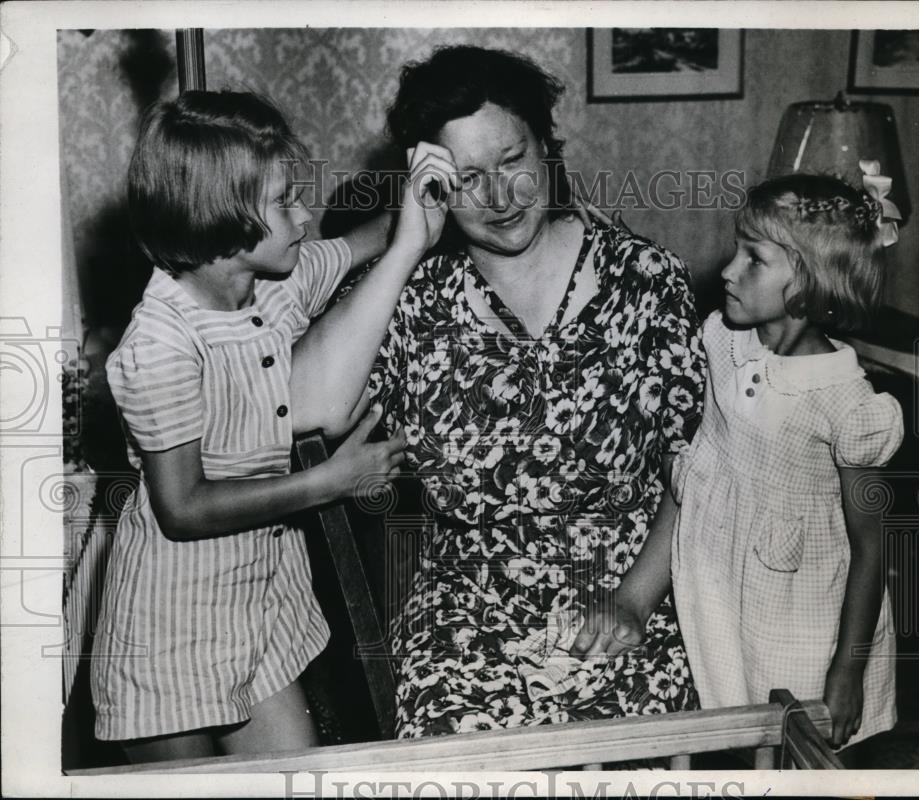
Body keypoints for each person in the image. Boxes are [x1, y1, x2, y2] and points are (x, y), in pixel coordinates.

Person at [296, 45, 707, 739]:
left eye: (513, 161)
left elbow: (697, 462)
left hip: (637, 588)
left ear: (548, 148)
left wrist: (633, 601)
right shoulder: (418, 302)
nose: (499, 198)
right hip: (473, 609)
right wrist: (403, 249)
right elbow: (305, 408)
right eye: (466, 178)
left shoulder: (646, 279)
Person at [90, 89, 457, 762]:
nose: (304, 215)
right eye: (286, 202)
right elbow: (183, 507)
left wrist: (421, 204)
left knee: (296, 776)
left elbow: (359, 243)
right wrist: (329, 481)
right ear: (221, 223)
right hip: (171, 626)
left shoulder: (269, 279)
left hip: (259, 607)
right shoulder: (159, 345)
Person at [670, 168, 905, 750]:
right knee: (739, 735)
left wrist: (846, 669)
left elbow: (871, 545)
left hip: (807, 619)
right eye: (736, 250)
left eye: (754, 258)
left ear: (807, 283)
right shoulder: (723, 342)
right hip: (726, 587)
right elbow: (706, 464)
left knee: (796, 747)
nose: (728, 270)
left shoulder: (847, 404)